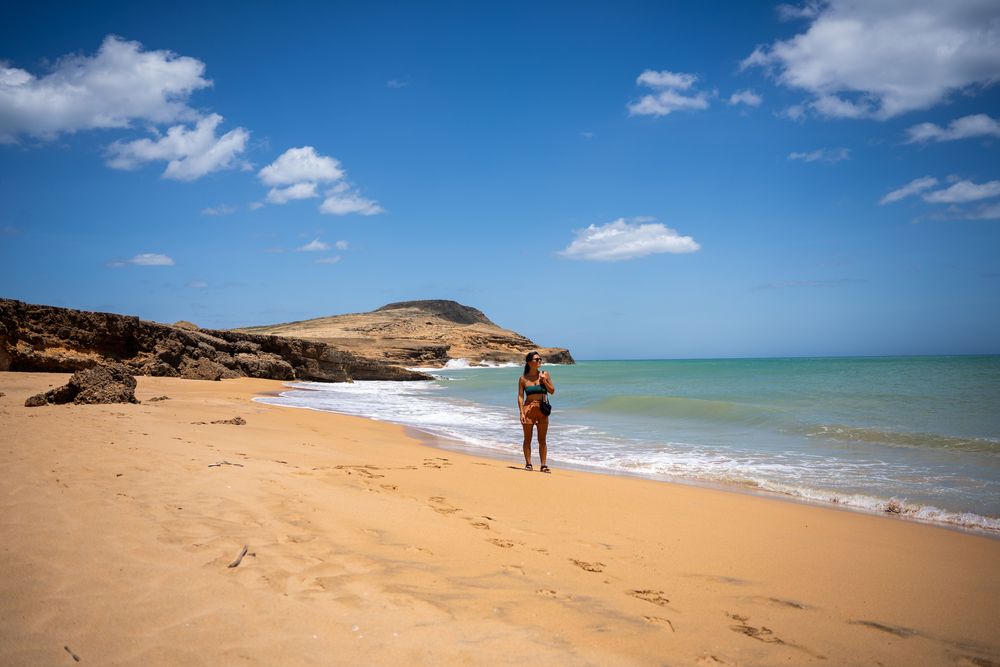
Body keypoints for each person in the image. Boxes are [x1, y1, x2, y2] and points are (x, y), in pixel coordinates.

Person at [517, 351, 554, 472]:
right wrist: (521, 412)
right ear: (529, 362)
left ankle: (543, 465)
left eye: (540, 359)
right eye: (536, 359)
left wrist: (544, 381)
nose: (539, 361)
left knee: (542, 439)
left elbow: (552, 391)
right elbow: (520, 396)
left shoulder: (544, 374)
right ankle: (528, 464)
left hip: (542, 409)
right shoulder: (523, 379)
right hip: (528, 409)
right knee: (527, 438)